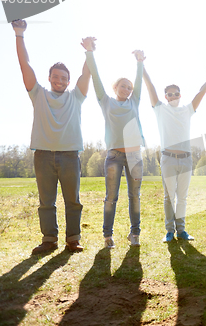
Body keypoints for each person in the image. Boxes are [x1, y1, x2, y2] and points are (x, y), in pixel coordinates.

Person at [12, 19, 91, 254]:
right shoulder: (38, 94)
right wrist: (19, 34)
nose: (60, 80)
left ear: (68, 81)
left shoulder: (76, 97)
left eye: (64, 78)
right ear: (49, 78)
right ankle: (49, 240)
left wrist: (88, 51)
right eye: (56, 77)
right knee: (46, 202)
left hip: (69, 155)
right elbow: (24, 65)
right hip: (43, 155)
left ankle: (73, 239)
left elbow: (87, 74)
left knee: (72, 201)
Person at [143, 64, 206, 242]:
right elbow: (150, 87)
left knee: (182, 197)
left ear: (180, 95)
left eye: (175, 93)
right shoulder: (160, 109)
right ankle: (169, 231)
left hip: (185, 159)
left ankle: (181, 230)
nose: (172, 96)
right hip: (168, 158)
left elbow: (200, 93)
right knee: (169, 197)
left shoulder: (187, 109)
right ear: (165, 97)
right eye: (169, 94)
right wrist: (142, 66)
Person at [84, 39, 146, 249]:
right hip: (114, 156)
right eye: (123, 86)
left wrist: (139, 62)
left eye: (129, 87)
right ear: (116, 87)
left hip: (135, 156)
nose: (127, 89)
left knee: (134, 197)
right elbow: (96, 80)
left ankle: (134, 234)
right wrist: (90, 53)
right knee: (111, 197)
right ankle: (107, 236)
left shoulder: (134, 101)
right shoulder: (106, 101)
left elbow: (138, 82)